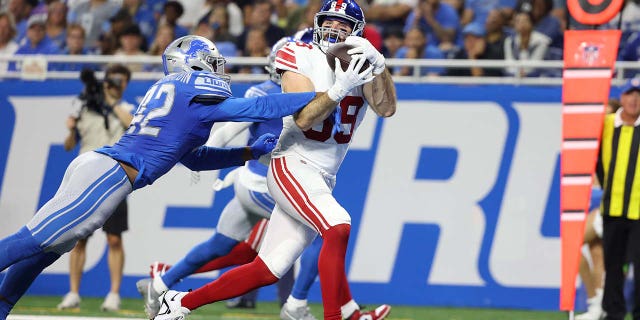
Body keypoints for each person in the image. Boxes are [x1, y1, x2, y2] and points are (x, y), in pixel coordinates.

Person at [0, 34, 369, 320]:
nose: (220, 71)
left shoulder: (181, 97)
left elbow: (193, 159)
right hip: (108, 174)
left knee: (46, 249)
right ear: (191, 63)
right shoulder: (192, 88)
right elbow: (255, 107)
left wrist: (245, 152)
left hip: (102, 170)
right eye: (213, 63)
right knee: (36, 240)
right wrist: (332, 93)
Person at [150, 1, 396, 320]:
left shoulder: (360, 63)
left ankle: (181, 303)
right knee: (337, 226)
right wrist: (338, 90)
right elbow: (305, 118)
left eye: (343, 24)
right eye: (330, 21)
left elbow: (387, 107)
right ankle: (338, 316)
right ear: (318, 23)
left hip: (322, 175)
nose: (335, 29)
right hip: (291, 164)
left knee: (268, 269)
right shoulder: (297, 53)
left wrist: (379, 65)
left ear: (357, 32)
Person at [56, 64, 134, 312]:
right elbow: (69, 145)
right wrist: (70, 129)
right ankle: (73, 292)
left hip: (113, 177)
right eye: (112, 80)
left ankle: (113, 294)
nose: (115, 84)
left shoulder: (126, 108)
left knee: (114, 239)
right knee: (78, 240)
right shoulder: (85, 110)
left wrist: (109, 102)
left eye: (121, 80)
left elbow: (131, 124)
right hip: (84, 176)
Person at [596, 77, 640, 320]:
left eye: (639, 95)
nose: (634, 99)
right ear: (621, 97)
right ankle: (613, 312)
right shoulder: (606, 125)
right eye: (630, 94)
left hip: (639, 210)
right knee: (612, 265)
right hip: (612, 207)